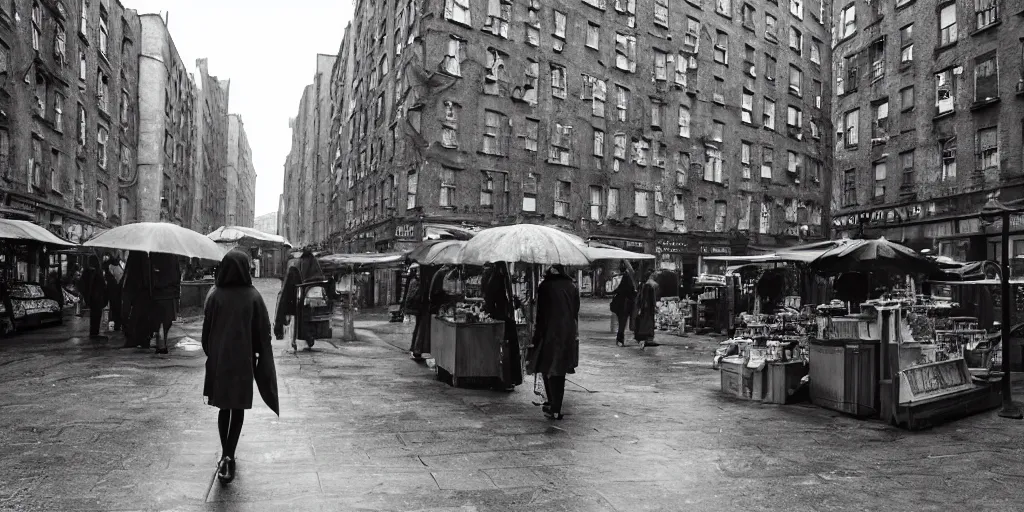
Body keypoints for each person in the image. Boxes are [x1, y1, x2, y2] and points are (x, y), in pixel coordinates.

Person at [201, 250, 278, 485]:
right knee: (238, 409)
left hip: (219, 361)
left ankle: (225, 453)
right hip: (243, 362)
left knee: (224, 407)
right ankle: (230, 455)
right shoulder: (253, 297)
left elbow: (206, 334)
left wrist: (213, 353)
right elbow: (263, 333)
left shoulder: (215, 296)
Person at [526, 265, 580, 420]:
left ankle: (551, 402)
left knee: (546, 366)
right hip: (567, 332)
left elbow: (541, 314)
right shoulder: (571, 286)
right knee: (560, 370)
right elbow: (575, 311)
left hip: (549, 332)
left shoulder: (545, 286)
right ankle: (556, 406)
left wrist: (536, 336)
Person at [483, 262, 522, 389]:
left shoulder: (498, 278)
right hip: (502, 319)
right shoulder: (498, 279)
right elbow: (493, 301)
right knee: (505, 351)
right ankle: (506, 378)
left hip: (502, 318)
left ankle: (507, 378)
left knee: (506, 350)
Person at [149, 252, 181, 355]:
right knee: (166, 322)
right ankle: (162, 343)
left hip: (158, 293)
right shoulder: (173, 256)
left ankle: (160, 342)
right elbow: (177, 276)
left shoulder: (153, 255)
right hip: (169, 294)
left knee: (159, 321)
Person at [121, 251, 152, 349]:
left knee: (131, 315)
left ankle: (134, 338)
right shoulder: (145, 258)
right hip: (141, 291)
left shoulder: (135, 256)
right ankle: (142, 339)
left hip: (135, 290)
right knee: (140, 315)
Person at [610, 261, 637, 347]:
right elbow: (629, 290)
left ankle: (620, 339)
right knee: (622, 322)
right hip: (624, 304)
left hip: (621, 303)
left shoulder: (624, 277)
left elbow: (619, 290)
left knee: (622, 322)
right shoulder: (627, 277)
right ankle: (620, 339)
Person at [80, 255, 108, 338]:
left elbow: (82, 284)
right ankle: (94, 332)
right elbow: (102, 285)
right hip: (97, 297)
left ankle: (94, 332)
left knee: (94, 315)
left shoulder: (87, 272)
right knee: (96, 315)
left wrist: (86, 295)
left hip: (92, 297)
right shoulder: (96, 272)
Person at [634, 269, 659, 348]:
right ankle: (648, 338)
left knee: (645, 322)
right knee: (648, 322)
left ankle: (644, 338)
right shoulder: (650, 285)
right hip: (648, 307)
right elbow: (651, 298)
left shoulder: (643, 285)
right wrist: (654, 306)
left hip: (644, 307)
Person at [104, 257, 123, 332]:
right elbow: (112, 280)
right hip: (115, 291)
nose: (119, 260)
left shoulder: (117, 266)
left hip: (116, 291)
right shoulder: (111, 267)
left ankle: (117, 324)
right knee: (116, 308)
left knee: (116, 308)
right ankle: (117, 324)